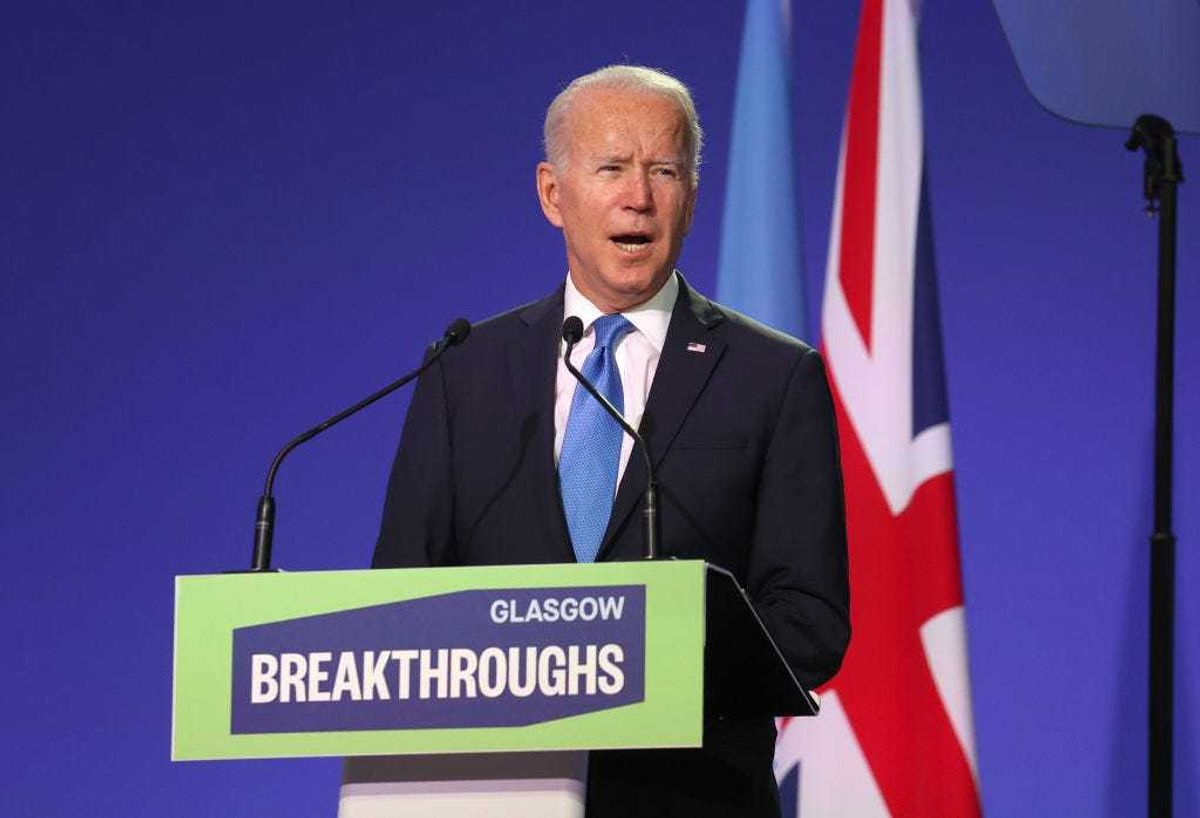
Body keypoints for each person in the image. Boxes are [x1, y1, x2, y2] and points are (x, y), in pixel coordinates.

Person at [373, 65, 849, 818]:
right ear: (553, 195)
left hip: (688, 798)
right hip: (493, 794)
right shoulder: (464, 372)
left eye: (665, 170)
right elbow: (397, 596)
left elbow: (809, 620)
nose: (640, 196)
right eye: (612, 168)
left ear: (691, 197)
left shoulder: (775, 378)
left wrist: (652, 667)